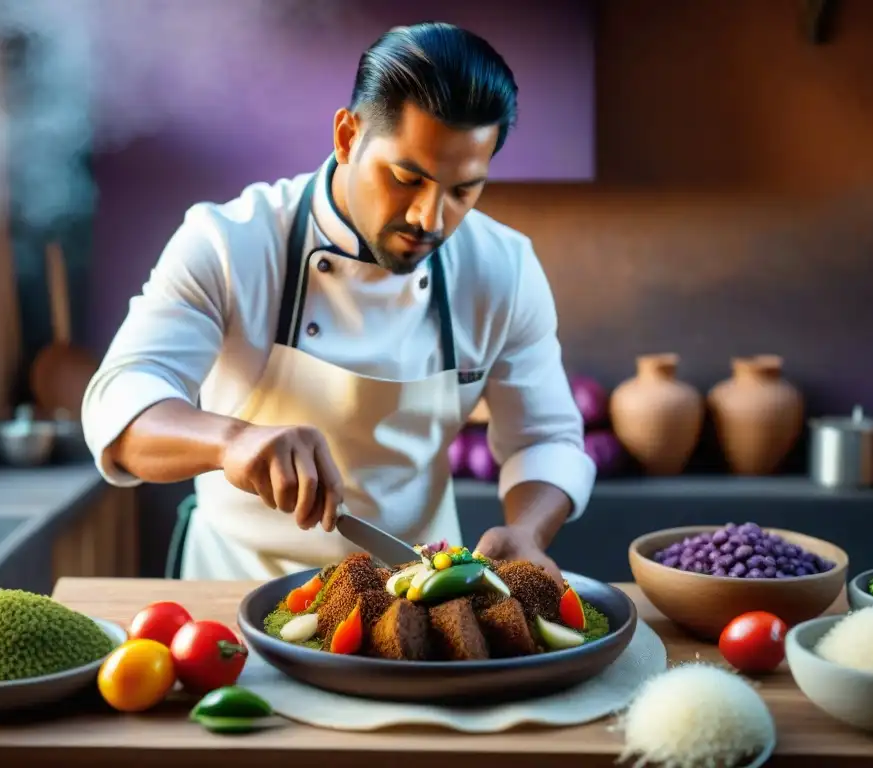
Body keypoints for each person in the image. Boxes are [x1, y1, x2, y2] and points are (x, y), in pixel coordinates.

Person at [81, 22, 597, 585]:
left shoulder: (503, 267)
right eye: (406, 178)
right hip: (234, 585)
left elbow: (546, 438)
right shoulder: (232, 243)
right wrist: (233, 439)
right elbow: (120, 408)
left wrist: (528, 532)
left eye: (463, 191)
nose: (430, 218)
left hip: (415, 594)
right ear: (348, 137)